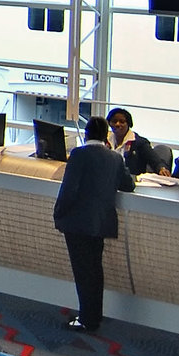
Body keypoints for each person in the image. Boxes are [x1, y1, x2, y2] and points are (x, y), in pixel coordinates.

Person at [53, 117, 134, 332]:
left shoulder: (79, 155)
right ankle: (93, 315)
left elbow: (69, 190)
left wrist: (58, 214)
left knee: (83, 272)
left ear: (86, 134)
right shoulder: (115, 158)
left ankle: (87, 319)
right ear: (105, 135)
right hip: (100, 222)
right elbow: (128, 184)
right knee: (95, 271)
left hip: (77, 222)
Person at [104, 106, 168, 176]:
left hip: (131, 183)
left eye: (122, 122)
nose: (117, 124)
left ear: (129, 124)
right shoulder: (104, 140)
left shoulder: (140, 143)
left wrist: (162, 169)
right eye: (114, 121)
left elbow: (155, 161)